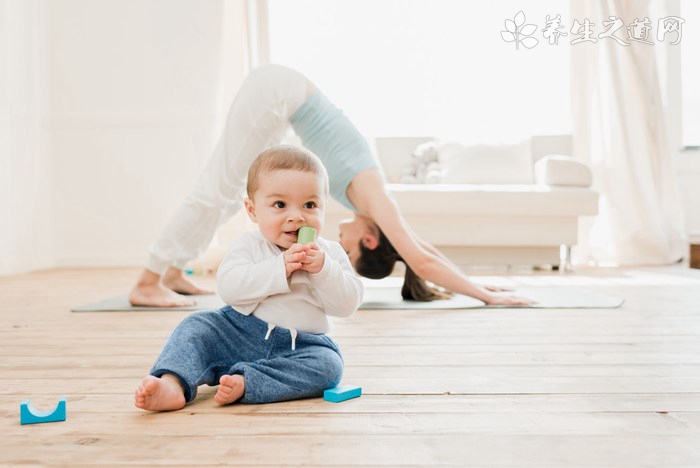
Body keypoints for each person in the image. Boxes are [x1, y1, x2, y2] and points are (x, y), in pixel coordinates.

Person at [129, 64, 533, 308]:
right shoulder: (377, 200)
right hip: (278, 92)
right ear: (371, 241)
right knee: (219, 187)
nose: (341, 238)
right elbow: (420, 259)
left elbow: (418, 249)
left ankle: (172, 272)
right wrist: (485, 296)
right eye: (353, 248)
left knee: (233, 190)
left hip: (282, 95)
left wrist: (477, 281)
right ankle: (148, 282)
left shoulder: (370, 204)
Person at [134, 146, 362, 411]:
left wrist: (324, 270)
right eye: (280, 205)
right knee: (196, 326)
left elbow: (347, 305)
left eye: (310, 205)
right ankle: (172, 383)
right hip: (239, 331)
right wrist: (280, 268)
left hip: (300, 344)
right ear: (252, 210)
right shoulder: (248, 244)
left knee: (329, 365)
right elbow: (230, 288)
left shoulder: (329, 253)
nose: (297, 216)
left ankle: (248, 382)